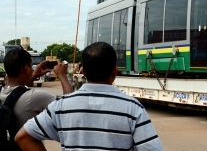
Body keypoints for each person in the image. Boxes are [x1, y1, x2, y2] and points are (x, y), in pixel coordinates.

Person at [15, 42, 163, 151]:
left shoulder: (60, 106)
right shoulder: (133, 108)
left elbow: (23, 137)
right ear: (115, 71)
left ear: (83, 71)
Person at [0, 48, 73, 140]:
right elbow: (70, 106)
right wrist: (62, 75)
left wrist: (34, 75)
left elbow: (16, 93)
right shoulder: (34, 97)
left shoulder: (2, 92)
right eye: (31, 66)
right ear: (26, 69)